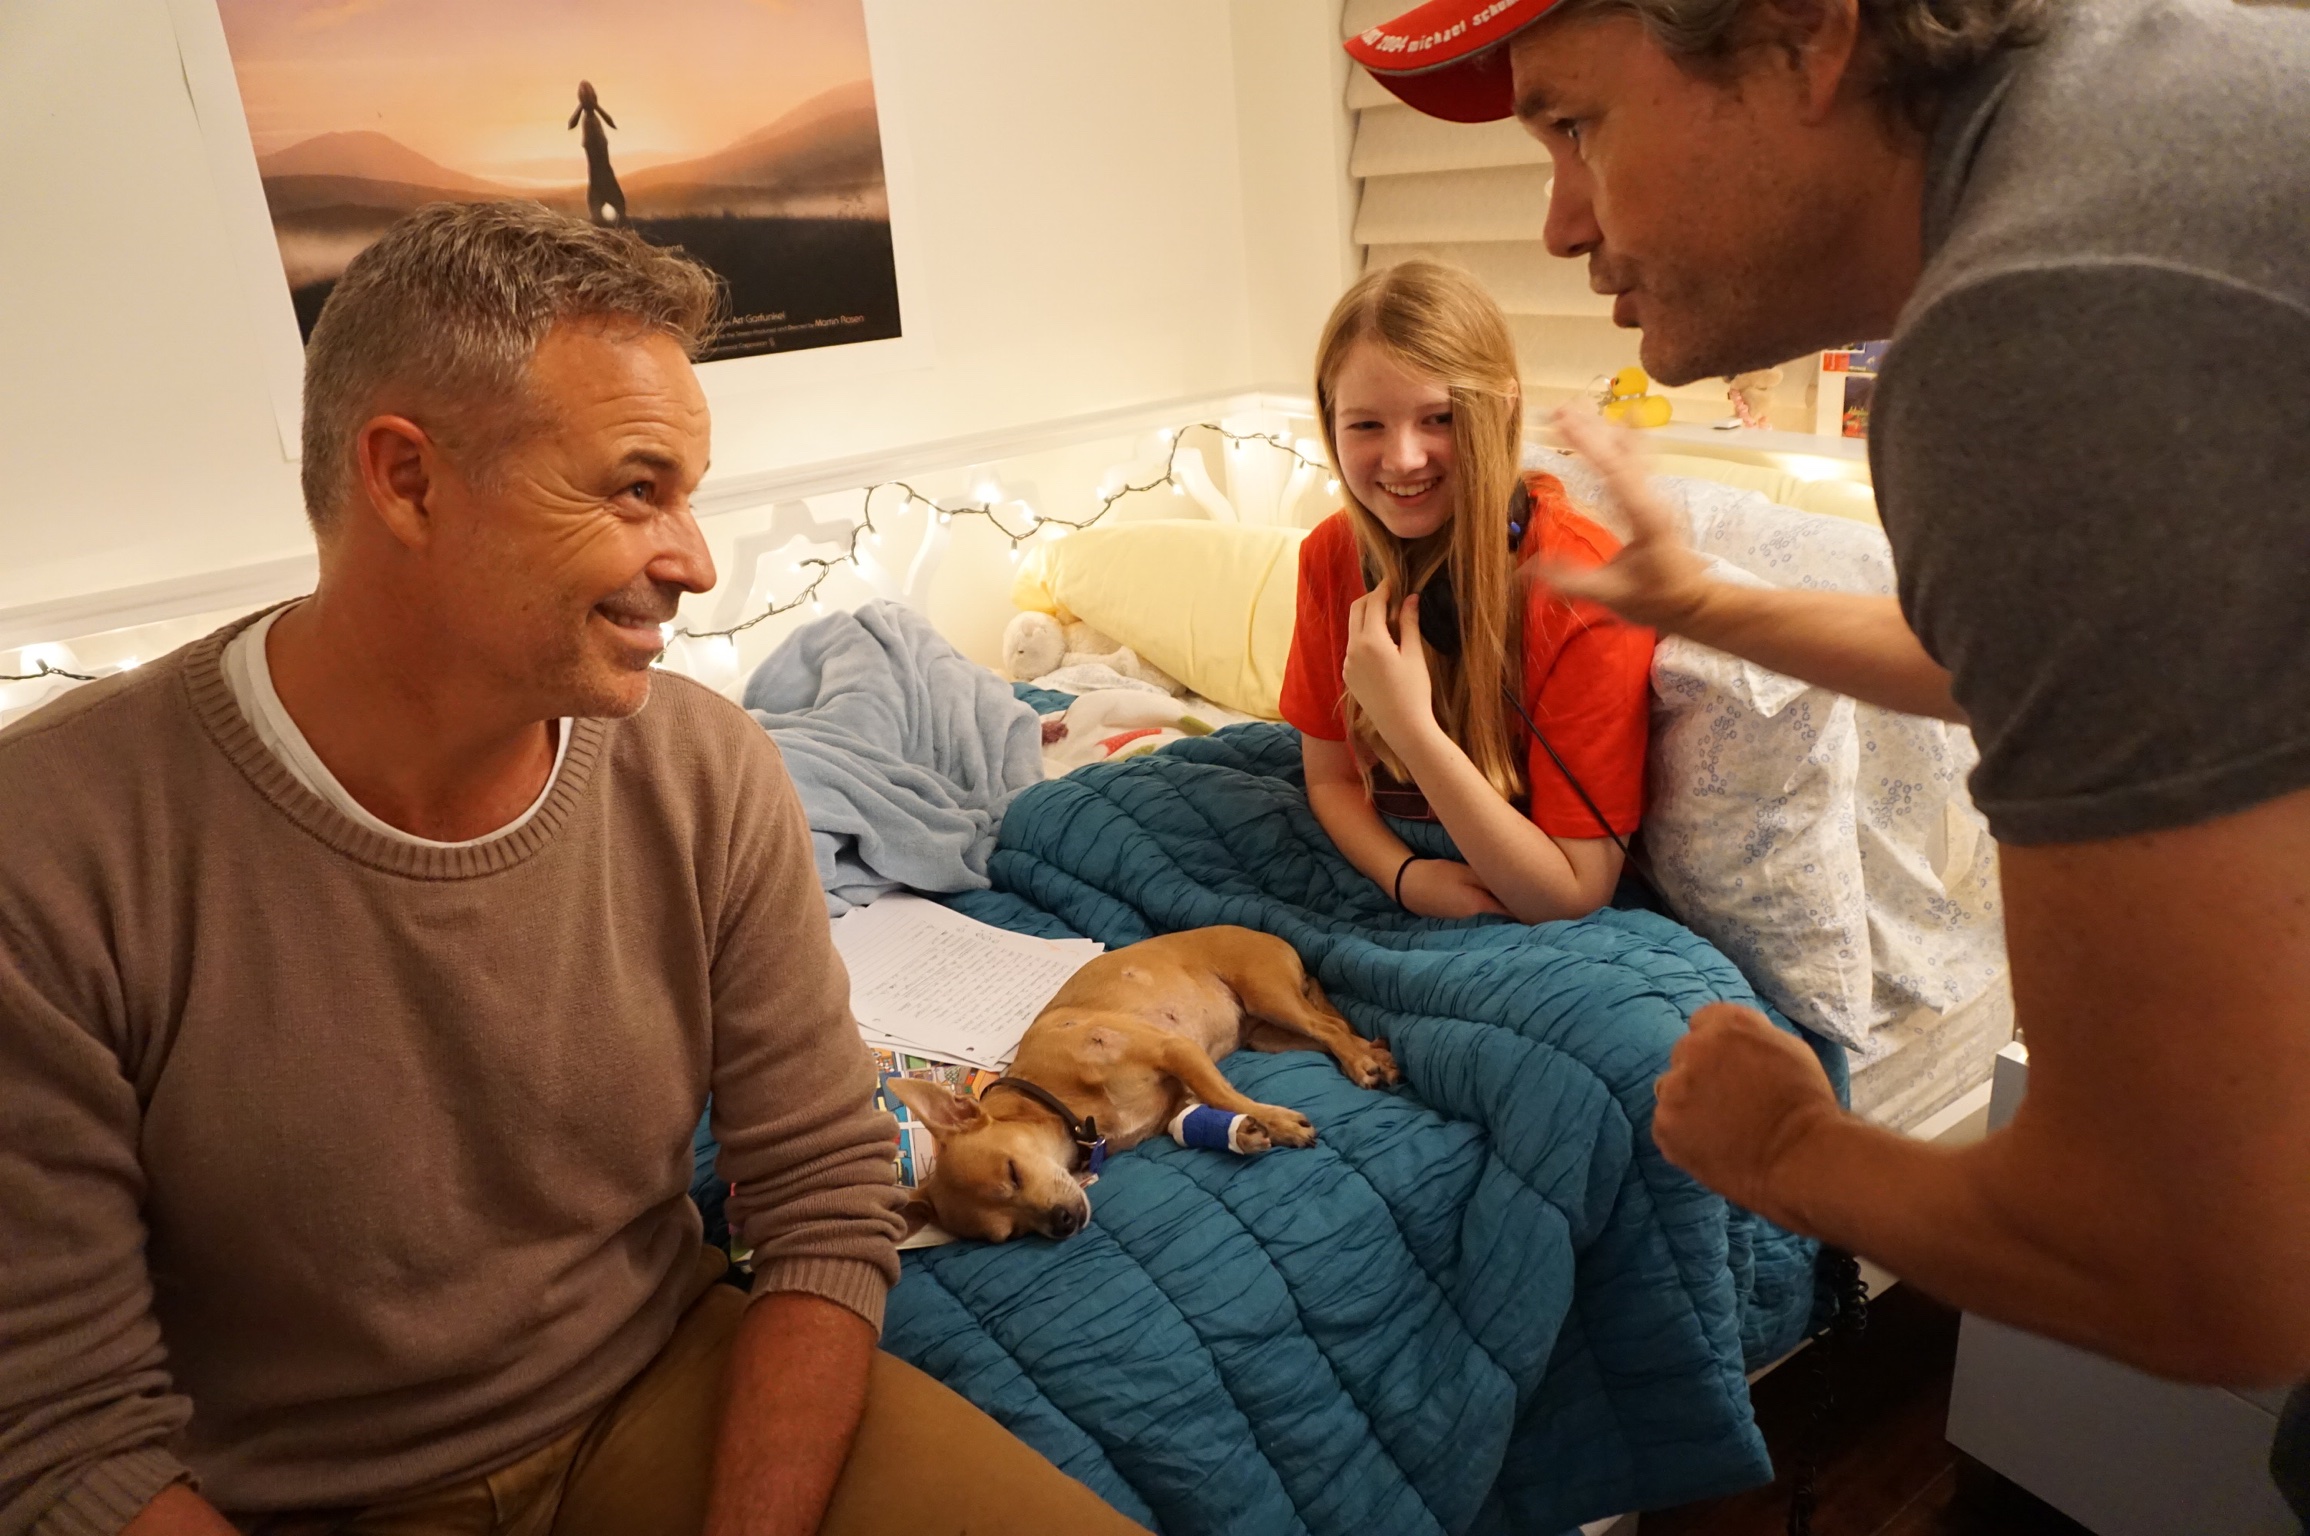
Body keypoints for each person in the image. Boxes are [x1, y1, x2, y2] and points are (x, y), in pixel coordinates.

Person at [0, 201, 1141, 1536]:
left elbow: (824, 1196)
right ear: (407, 479)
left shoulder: (706, 771)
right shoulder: (54, 846)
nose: (697, 563)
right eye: (633, 487)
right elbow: (67, 1435)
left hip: (664, 1391)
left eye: (688, 496)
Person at [1346, 0, 2310, 1511]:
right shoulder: (2133, 132)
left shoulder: (2039, 317)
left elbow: (2192, 1266)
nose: (1552, 224)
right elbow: (2087, 674)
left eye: (1574, 122)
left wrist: (1787, 1147)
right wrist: (1704, 605)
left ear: (1801, 31)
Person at [1278, 260, 1654, 924]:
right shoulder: (1329, 555)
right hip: (1394, 863)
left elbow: (1571, 892)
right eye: (1366, 425)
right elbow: (1329, 779)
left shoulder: (1584, 585)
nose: (1403, 459)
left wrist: (1411, 731)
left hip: (1532, 894)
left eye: (1439, 418)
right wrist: (1403, 876)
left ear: (1501, 411)